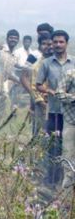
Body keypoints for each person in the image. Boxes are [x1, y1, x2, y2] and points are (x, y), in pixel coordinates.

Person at [36, 30, 75, 189]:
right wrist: (52, 92)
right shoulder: (46, 63)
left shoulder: (73, 63)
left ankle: (67, 178)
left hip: (71, 113)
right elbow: (38, 85)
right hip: (53, 110)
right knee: (53, 145)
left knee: (69, 146)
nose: (58, 45)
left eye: (61, 42)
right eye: (55, 42)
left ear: (66, 43)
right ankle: (52, 180)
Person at [20, 34, 53, 137]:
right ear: (39, 46)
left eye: (49, 44)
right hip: (40, 101)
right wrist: (37, 99)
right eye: (44, 44)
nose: (47, 46)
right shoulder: (35, 60)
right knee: (40, 132)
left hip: (56, 102)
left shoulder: (59, 62)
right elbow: (26, 78)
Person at [56, 67, 75, 190]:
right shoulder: (71, 73)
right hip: (71, 120)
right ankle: (66, 190)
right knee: (68, 154)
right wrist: (73, 98)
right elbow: (59, 93)